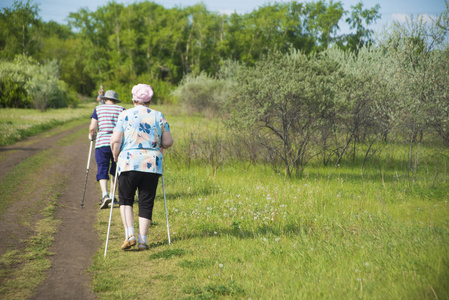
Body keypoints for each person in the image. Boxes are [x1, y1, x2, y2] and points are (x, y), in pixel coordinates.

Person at [111, 83, 173, 251]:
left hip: (129, 162)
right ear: (149, 100)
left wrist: (116, 156)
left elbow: (116, 140)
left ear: (133, 99)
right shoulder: (158, 116)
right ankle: (143, 240)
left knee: (125, 199)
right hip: (151, 164)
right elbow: (168, 142)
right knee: (146, 202)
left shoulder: (124, 115)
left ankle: (130, 234)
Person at [89, 90, 126, 209]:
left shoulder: (98, 109)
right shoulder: (121, 109)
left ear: (105, 100)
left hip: (102, 143)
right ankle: (112, 195)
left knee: (102, 167)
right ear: (115, 100)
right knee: (115, 170)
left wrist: (92, 135)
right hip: (117, 143)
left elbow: (92, 127)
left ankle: (104, 195)